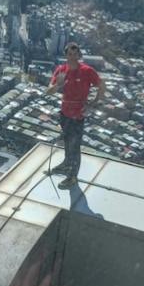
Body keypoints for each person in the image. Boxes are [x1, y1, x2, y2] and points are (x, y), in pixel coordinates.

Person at [45, 43, 105, 190]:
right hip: (65, 112)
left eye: (75, 54)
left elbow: (101, 85)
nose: (72, 57)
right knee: (67, 141)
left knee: (75, 145)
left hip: (78, 114)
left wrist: (93, 103)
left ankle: (72, 176)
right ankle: (66, 165)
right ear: (66, 55)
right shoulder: (61, 70)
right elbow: (49, 91)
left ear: (79, 55)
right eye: (69, 54)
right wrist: (58, 85)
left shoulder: (86, 71)